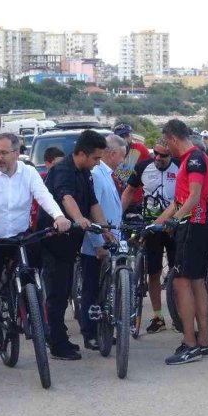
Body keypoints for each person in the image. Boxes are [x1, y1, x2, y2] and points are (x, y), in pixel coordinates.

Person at [0, 133, 70, 377]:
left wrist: (59, 216)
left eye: (3, 153)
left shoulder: (28, 172)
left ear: (16, 152)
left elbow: (44, 196)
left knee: (33, 276)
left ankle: (32, 309)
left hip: (20, 236)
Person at [36, 129, 112, 361]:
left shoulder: (85, 171)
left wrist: (105, 228)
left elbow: (93, 202)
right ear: (81, 153)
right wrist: (78, 219)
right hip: (53, 242)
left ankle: (60, 336)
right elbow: (65, 196)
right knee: (57, 293)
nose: (98, 163)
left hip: (70, 244)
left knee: (65, 289)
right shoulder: (62, 170)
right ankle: (56, 343)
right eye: (96, 158)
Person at [154, 119, 208, 365]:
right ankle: (204, 342)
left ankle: (190, 343)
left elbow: (194, 196)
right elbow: (176, 203)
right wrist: (156, 225)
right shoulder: (191, 160)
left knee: (181, 283)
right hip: (197, 225)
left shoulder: (193, 159)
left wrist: (175, 220)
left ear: (171, 138)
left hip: (194, 225)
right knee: (196, 281)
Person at [120, 137, 178, 333]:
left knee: (177, 271)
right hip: (151, 226)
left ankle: (179, 314)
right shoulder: (143, 166)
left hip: (174, 225)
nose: (159, 158)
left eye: (164, 155)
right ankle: (158, 316)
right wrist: (118, 213)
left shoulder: (179, 166)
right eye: (156, 153)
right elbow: (129, 191)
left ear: (171, 154)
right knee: (153, 273)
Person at [79, 135, 125, 350]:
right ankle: (90, 333)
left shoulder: (107, 173)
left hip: (110, 240)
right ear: (113, 153)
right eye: (122, 157)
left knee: (105, 290)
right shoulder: (97, 174)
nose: (123, 162)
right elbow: (91, 208)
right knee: (92, 288)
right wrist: (97, 242)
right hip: (96, 245)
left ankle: (102, 329)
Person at [111, 123, 150, 209]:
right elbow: (120, 177)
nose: (125, 138)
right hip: (117, 197)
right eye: (122, 136)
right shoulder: (112, 150)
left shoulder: (138, 148)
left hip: (136, 198)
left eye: (127, 135)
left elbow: (122, 175)